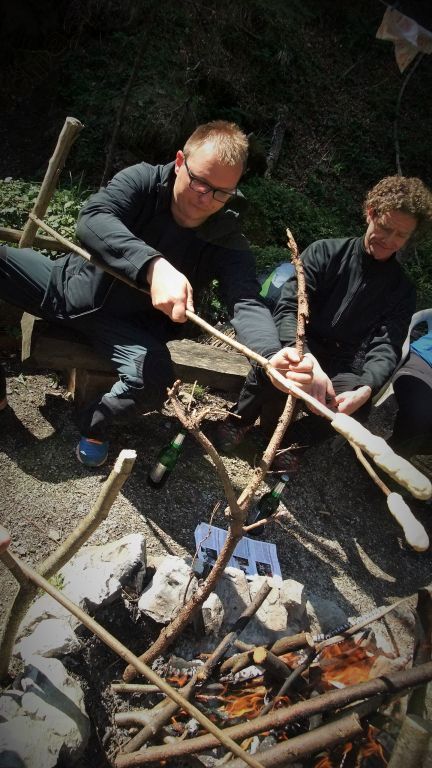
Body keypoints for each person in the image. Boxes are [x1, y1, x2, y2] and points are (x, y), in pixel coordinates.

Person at [0, 120, 313, 467]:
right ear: (180, 162)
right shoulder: (144, 181)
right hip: (66, 286)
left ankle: (93, 424)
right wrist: (153, 265)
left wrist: (269, 354)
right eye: (199, 182)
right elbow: (93, 219)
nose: (206, 198)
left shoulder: (226, 238)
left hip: (128, 329)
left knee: (155, 380)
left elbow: (245, 300)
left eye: (221, 192)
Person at [215, 175, 432, 465]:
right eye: (385, 227)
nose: (390, 241)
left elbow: (387, 345)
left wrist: (367, 385)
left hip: (341, 361)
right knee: (279, 363)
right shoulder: (326, 252)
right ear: (370, 213)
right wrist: (305, 356)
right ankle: (239, 419)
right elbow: (289, 306)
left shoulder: (401, 289)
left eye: (401, 235)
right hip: (299, 341)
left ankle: (293, 443)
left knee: (358, 406)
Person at [388, 323, 432, 458]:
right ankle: (390, 457)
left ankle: (393, 452)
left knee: (419, 431)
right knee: (420, 418)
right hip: (423, 364)